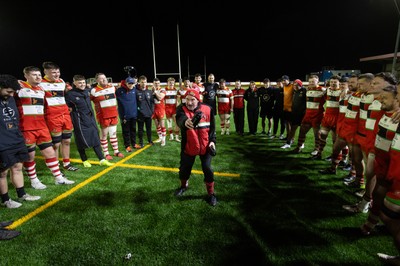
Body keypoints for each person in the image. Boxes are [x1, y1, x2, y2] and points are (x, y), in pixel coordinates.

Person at [15, 66, 74, 189]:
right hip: (27, 128)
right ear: (26, 76)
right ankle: (34, 180)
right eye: (34, 75)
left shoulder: (41, 89)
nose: (38, 77)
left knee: (50, 152)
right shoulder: (19, 88)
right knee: (30, 156)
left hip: (42, 126)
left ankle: (58, 178)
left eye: (39, 75)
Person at [0, 74, 41, 209]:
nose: (11, 95)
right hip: (2, 142)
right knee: (3, 172)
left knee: (18, 168)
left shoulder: (11, 97)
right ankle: (6, 200)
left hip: (16, 138)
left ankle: (22, 194)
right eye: (8, 91)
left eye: (13, 92)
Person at [174, 89, 217, 206]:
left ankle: (211, 193)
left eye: (192, 99)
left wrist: (212, 141)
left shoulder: (208, 109)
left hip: (205, 146)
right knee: (184, 169)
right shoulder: (181, 109)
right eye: (187, 99)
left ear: (198, 100)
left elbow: (212, 128)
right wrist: (184, 122)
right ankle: (183, 186)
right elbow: (180, 119)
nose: (189, 102)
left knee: (207, 169)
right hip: (189, 146)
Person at [65, 75, 114, 168]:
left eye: (83, 82)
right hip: (79, 120)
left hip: (91, 119)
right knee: (81, 140)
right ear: (74, 83)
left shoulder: (88, 91)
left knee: (95, 138)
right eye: (79, 83)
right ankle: (84, 160)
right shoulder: (70, 94)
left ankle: (102, 159)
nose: (82, 84)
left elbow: (98, 88)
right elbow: (66, 107)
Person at [40, 62, 78, 171]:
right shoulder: (40, 83)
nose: (57, 74)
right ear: (46, 72)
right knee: (56, 143)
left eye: (58, 72)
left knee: (66, 141)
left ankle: (67, 163)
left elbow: (65, 95)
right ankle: (55, 166)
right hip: (52, 116)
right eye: (53, 72)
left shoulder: (61, 82)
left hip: (65, 115)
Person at [90, 73, 124, 160]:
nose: (104, 80)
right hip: (103, 116)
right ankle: (106, 153)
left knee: (113, 134)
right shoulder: (94, 90)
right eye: (101, 79)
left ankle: (116, 151)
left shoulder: (112, 88)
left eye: (105, 78)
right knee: (104, 134)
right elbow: (87, 100)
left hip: (113, 114)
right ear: (97, 80)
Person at [116, 76, 140, 151]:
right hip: (124, 116)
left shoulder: (135, 90)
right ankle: (127, 146)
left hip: (133, 114)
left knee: (133, 130)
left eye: (132, 83)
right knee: (126, 131)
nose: (130, 85)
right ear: (126, 83)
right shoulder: (119, 91)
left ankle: (134, 143)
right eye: (129, 83)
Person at [281, 79, 306, 149]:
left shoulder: (304, 90)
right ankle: (288, 143)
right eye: (294, 85)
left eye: (296, 85)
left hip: (302, 114)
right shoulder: (295, 91)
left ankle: (302, 143)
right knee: (293, 129)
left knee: (302, 130)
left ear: (300, 85)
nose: (295, 86)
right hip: (294, 113)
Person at [136, 75, 155, 147]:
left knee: (148, 129)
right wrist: (138, 111)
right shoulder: (136, 92)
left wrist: (152, 111)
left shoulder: (149, 92)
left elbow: (152, 102)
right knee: (140, 129)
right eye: (142, 82)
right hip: (140, 114)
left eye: (145, 82)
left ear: (147, 83)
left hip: (148, 114)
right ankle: (141, 142)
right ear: (139, 83)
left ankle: (150, 140)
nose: (144, 84)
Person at [151, 78, 167, 146]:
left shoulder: (162, 90)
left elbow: (160, 98)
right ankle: (160, 137)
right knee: (157, 125)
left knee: (162, 125)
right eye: (155, 83)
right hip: (153, 109)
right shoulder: (151, 90)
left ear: (159, 83)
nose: (157, 84)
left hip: (161, 109)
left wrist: (155, 92)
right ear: (153, 84)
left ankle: (163, 140)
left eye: (158, 83)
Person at [164, 77, 180, 142]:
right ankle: (171, 136)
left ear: (174, 83)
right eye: (170, 82)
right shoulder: (164, 90)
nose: (171, 84)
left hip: (174, 108)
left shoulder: (176, 90)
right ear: (167, 83)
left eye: (172, 83)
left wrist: (178, 103)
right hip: (167, 108)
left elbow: (178, 100)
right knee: (169, 123)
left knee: (177, 123)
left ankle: (176, 137)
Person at [281, 75, 294, 140]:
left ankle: (292, 138)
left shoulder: (292, 86)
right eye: (282, 80)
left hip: (291, 109)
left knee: (291, 125)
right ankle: (288, 136)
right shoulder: (284, 87)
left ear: (288, 80)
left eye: (284, 80)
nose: (283, 82)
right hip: (285, 108)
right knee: (286, 124)